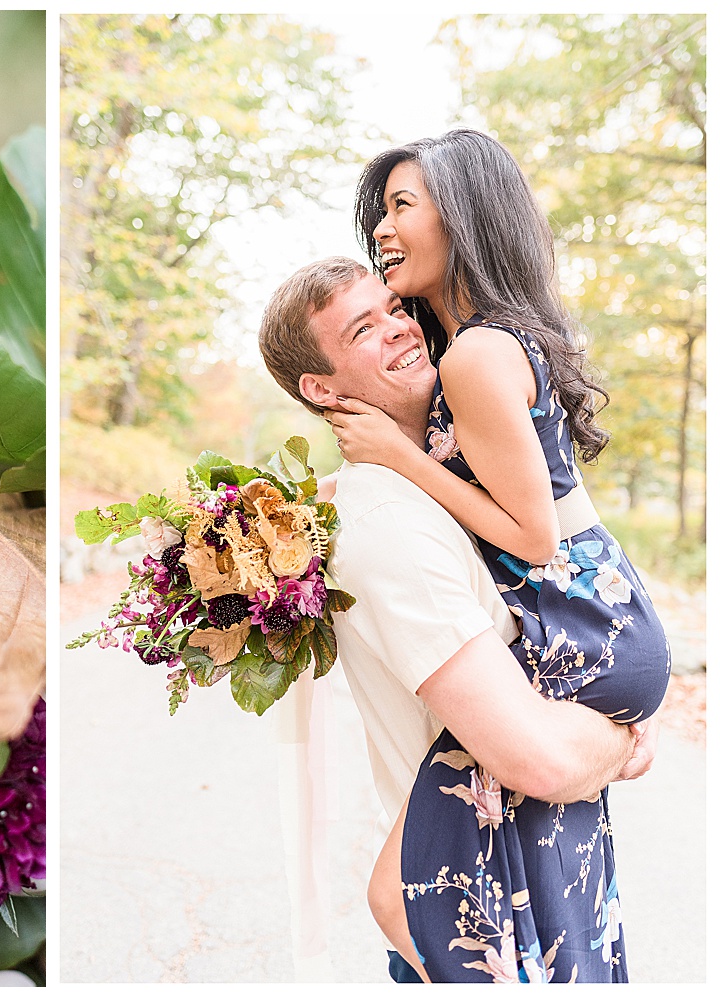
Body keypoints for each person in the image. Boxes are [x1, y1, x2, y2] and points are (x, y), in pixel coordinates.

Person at [327, 131, 672, 981]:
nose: (382, 228)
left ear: (466, 217)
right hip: (595, 621)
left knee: (393, 893)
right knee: (502, 857)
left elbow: (533, 536)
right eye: (380, 212)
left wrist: (400, 459)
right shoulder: (476, 346)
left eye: (402, 205)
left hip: (580, 628)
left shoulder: (481, 354)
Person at [258, 258, 656, 983]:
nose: (400, 328)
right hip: (492, 882)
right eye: (363, 329)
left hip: (534, 848)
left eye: (392, 308)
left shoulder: (444, 467)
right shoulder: (388, 525)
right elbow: (539, 758)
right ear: (321, 387)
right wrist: (619, 730)